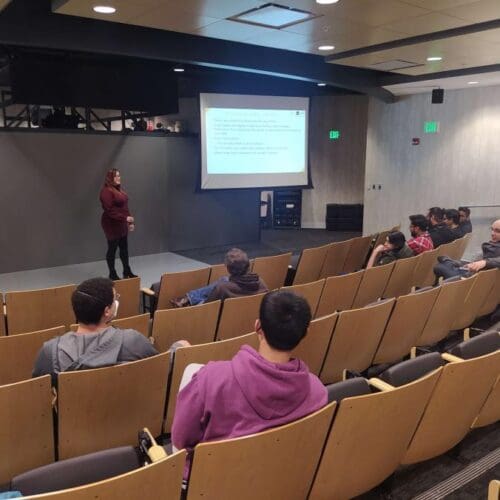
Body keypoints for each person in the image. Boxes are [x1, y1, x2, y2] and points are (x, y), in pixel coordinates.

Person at [171, 290, 327, 475]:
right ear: (305, 332)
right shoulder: (318, 393)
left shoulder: (209, 379)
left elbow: (181, 441)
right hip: (277, 480)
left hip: (213, 483)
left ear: (258, 326)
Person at [32, 278, 158, 384]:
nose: (117, 301)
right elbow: (161, 367)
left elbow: (39, 392)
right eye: (115, 298)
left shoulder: (51, 352)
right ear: (107, 311)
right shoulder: (133, 341)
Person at [170, 248, 268, 307]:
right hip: (244, 315)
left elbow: (207, 308)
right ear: (248, 265)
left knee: (218, 286)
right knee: (223, 279)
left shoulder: (223, 288)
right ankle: (188, 298)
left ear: (229, 269)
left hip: (221, 316)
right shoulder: (261, 283)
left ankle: (188, 299)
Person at [100, 169, 137, 280]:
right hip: (111, 223)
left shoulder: (119, 191)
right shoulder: (106, 191)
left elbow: (125, 208)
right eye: (116, 176)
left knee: (124, 248)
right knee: (112, 248)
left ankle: (127, 271)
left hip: (121, 223)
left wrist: (130, 222)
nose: (118, 178)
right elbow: (109, 210)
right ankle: (112, 273)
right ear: (110, 178)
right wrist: (125, 218)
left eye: (119, 176)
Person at [434, 219, 500, 280]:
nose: (492, 233)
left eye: (498, 231)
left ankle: (452, 263)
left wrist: (485, 262)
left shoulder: (492, 249)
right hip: (472, 276)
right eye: (492, 229)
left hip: (470, 280)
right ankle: (453, 263)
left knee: (439, 267)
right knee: (444, 265)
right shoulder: (492, 246)